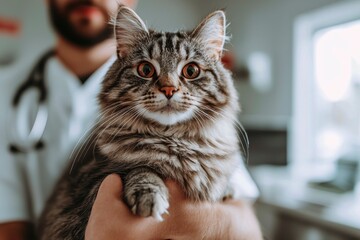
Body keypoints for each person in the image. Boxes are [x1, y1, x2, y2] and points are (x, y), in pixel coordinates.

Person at [0, 0, 262, 239]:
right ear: (122, 50)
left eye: (191, 71)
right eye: (146, 70)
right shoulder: (5, 89)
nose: (168, 87)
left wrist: (179, 219)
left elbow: (247, 229)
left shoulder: (216, 136)